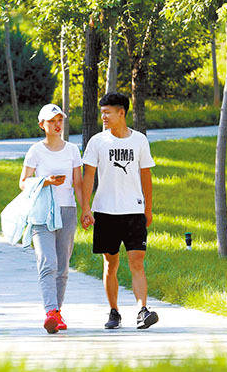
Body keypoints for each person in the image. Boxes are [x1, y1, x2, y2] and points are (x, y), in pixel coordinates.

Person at [80, 92, 159, 330]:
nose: (103, 116)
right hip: (105, 211)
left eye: (107, 112)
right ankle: (114, 311)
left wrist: (148, 208)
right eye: (101, 112)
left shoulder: (139, 141)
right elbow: (88, 177)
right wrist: (86, 208)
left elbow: (146, 175)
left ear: (121, 112)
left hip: (133, 211)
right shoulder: (97, 142)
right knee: (110, 265)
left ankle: (142, 310)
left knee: (137, 262)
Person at [19, 104, 84, 334]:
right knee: (48, 261)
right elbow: (23, 182)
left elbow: (78, 183)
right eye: (52, 121)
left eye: (60, 120)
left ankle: (57, 313)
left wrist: (85, 209)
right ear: (42, 125)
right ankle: (50, 311)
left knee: (63, 266)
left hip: (67, 210)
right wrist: (45, 181)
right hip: (42, 212)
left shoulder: (73, 150)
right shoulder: (35, 150)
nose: (57, 125)